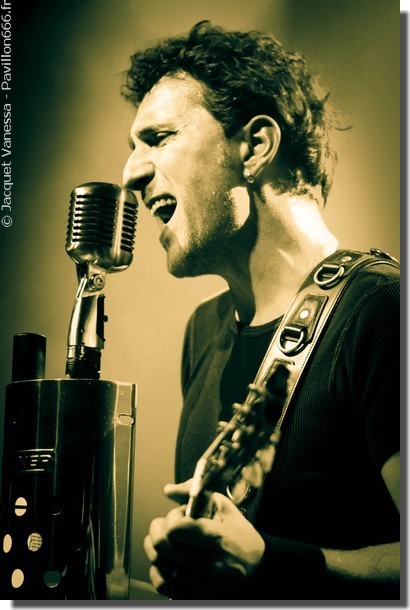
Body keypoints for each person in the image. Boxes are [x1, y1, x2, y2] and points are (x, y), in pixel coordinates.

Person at [121, 21, 400, 601]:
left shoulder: (381, 311)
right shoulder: (204, 330)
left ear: (254, 147)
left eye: (159, 139)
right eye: (134, 148)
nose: (132, 173)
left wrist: (276, 564)